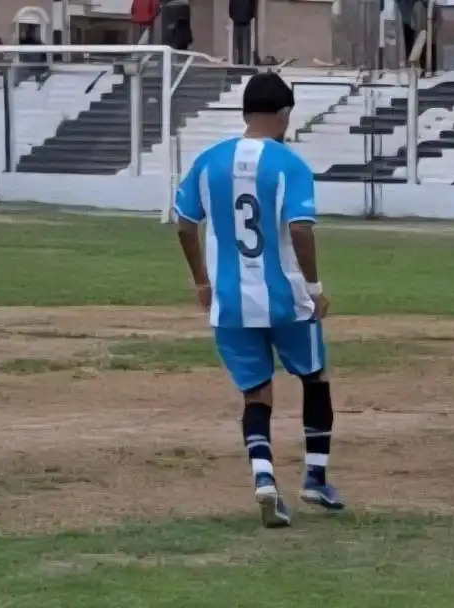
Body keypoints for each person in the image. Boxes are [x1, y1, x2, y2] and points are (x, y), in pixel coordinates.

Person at [173, 72, 344, 529]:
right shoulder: (289, 164)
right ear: (286, 113)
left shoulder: (208, 161)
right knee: (315, 376)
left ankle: (264, 478)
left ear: (245, 112)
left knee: (256, 392)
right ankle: (315, 476)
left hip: (229, 300)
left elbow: (184, 223)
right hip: (285, 297)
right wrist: (313, 288)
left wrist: (201, 282)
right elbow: (300, 229)